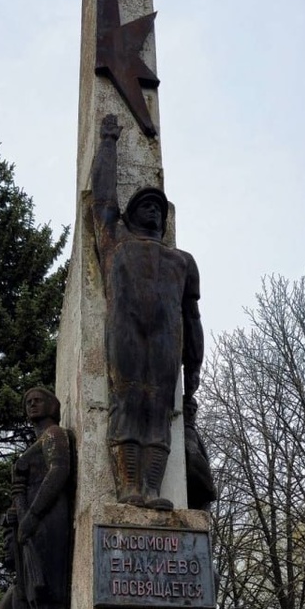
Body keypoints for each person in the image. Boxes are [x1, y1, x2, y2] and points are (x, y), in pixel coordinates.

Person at [91, 114, 204, 509]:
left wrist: (194, 366)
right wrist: (108, 143)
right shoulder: (115, 241)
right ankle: (129, 487)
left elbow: (193, 318)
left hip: (165, 342)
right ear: (131, 214)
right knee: (127, 402)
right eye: (145, 205)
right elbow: (102, 199)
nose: (154, 211)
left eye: (159, 207)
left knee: (159, 410)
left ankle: (152, 489)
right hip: (126, 334)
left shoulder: (182, 261)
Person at [7, 387, 73, 609]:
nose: (31, 403)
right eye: (27, 400)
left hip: (47, 525)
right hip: (32, 527)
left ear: (53, 405)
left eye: (38, 399)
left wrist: (31, 515)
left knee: (47, 604)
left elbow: (59, 472)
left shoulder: (54, 435)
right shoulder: (38, 442)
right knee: (35, 607)